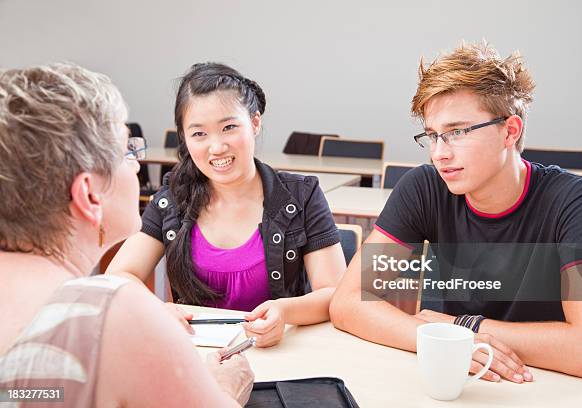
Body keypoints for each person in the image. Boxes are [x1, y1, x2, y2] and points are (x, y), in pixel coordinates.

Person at [330, 41, 582, 381]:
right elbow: (348, 303)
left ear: (510, 131)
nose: (438, 154)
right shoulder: (424, 187)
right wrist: (430, 338)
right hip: (464, 373)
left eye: (457, 133)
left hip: (547, 382)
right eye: (432, 136)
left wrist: (457, 327)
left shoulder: (577, 200)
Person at [0, 63, 253, 406]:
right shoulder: (108, 312)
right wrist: (226, 389)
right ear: (89, 195)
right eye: (126, 152)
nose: (136, 165)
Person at [107, 62, 346, 347]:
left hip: (280, 354)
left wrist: (285, 312)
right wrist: (155, 308)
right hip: (194, 360)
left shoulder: (301, 195)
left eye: (229, 127)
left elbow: (334, 292)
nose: (217, 146)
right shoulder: (172, 198)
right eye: (199, 134)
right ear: (184, 137)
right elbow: (119, 276)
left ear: (255, 123)